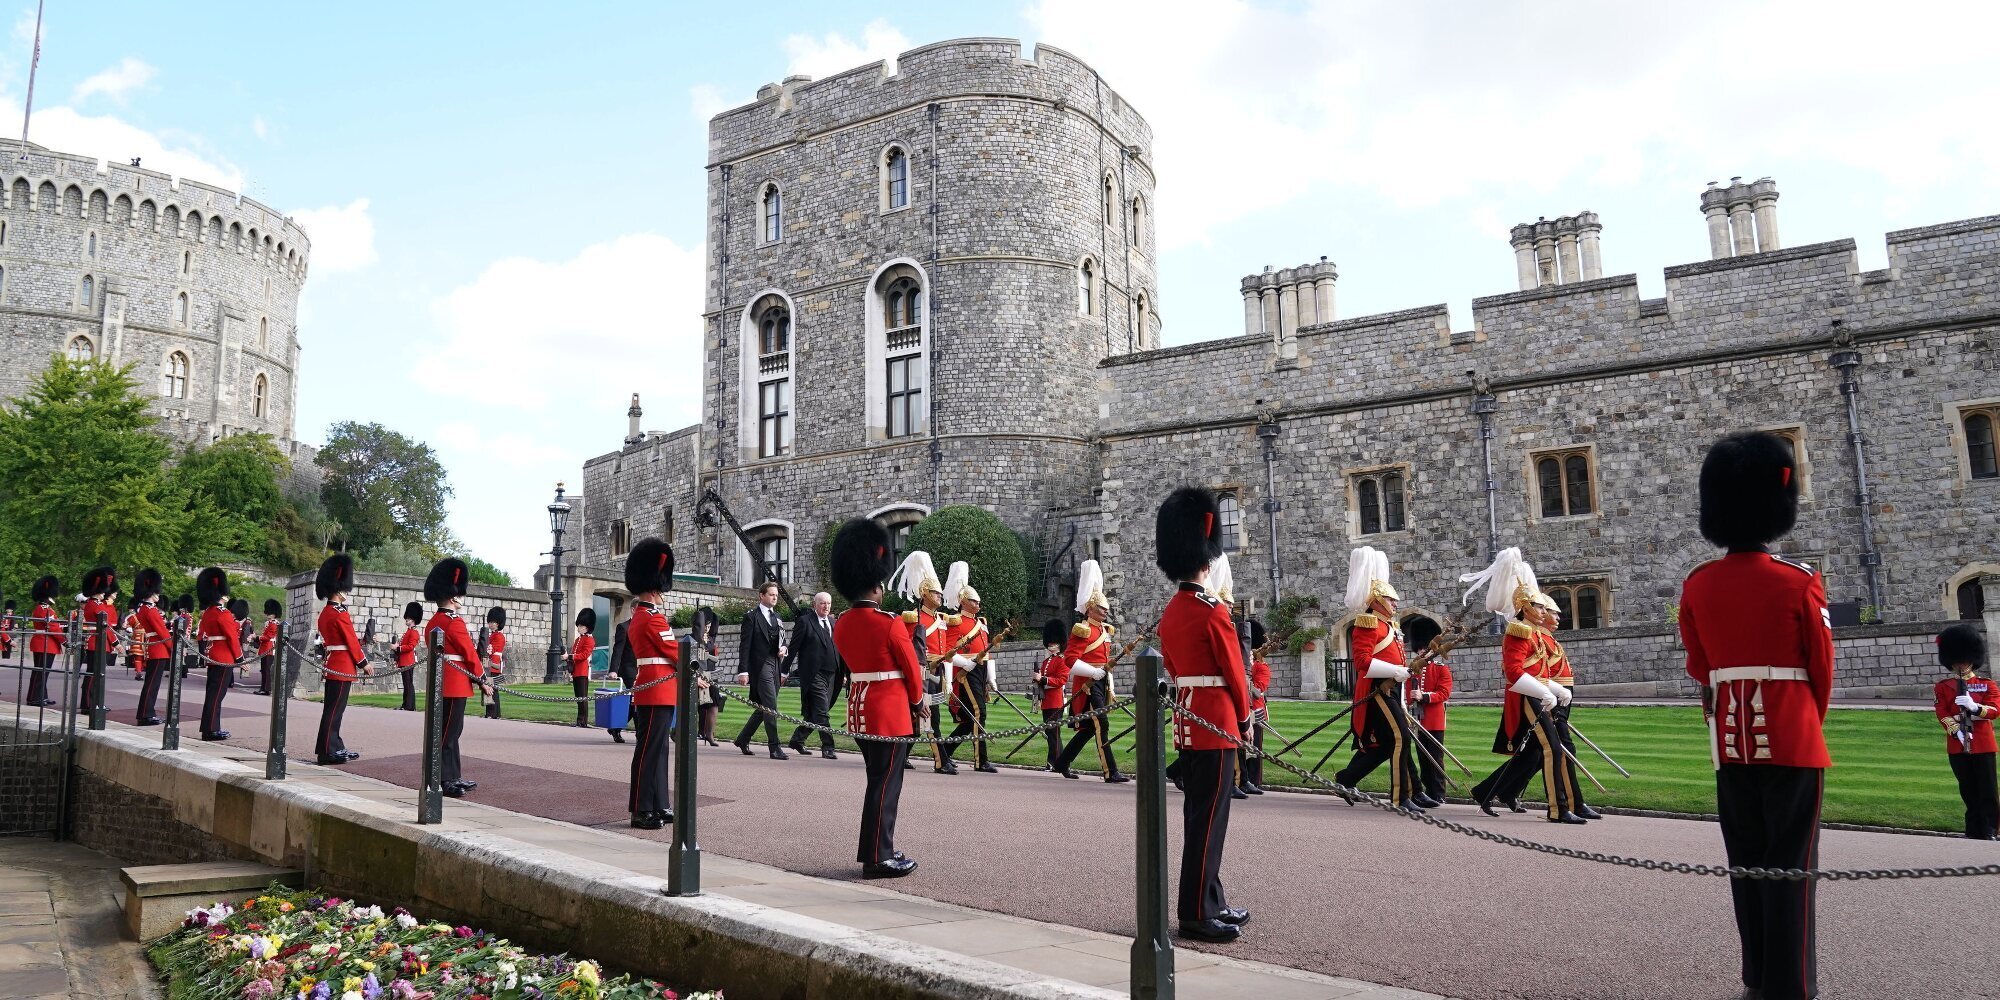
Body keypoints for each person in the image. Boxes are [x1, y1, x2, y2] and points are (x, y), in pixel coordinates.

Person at [1679, 430, 1833, 1000]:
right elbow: (1821, 671)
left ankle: (1755, 982)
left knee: (1746, 869)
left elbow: (1700, 666)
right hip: (1791, 739)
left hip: (1728, 743)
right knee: (1792, 873)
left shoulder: (1698, 584)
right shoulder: (1798, 582)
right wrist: (1804, 721)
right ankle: (1789, 988)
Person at [1154, 486, 1253, 943]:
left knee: (1201, 819)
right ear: (1207, 560)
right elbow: (1235, 672)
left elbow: (1173, 668)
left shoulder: (1171, 613)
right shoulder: (1213, 612)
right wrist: (1247, 715)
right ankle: (1196, 911)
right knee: (1209, 822)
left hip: (1188, 723)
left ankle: (1211, 898)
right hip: (1217, 723)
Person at [827, 517, 923, 878]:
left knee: (877, 782)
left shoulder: (842, 624)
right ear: (878, 586)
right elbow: (911, 669)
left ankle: (876, 849)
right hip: (890, 713)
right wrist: (918, 703)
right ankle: (878, 856)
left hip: (860, 710)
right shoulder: (889, 622)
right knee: (886, 786)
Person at [1462, 549, 1584, 823]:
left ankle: (1493, 793)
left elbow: (1539, 672)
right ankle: (1558, 809)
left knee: (1543, 752)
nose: (1544, 610)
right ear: (1525, 608)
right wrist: (1544, 692)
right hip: (1530, 699)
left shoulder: (1534, 634)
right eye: (1539, 606)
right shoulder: (1518, 631)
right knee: (1551, 750)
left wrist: (1557, 689)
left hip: (1540, 696)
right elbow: (1516, 674)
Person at [1330, 547, 1423, 811]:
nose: (1396, 604)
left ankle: (1346, 779)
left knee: (1385, 746)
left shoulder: (1390, 626)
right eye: (1391, 600)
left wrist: (1400, 679)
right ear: (1378, 600)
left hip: (1392, 689)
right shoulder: (1368, 623)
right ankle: (1402, 796)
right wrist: (1395, 672)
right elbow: (1362, 662)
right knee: (1400, 739)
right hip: (1377, 689)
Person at [1052, 560, 1129, 783]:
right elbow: (1069, 660)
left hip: (1100, 682)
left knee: (1087, 728)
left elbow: (1102, 659)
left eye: (1106, 608)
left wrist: (1106, 677)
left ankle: (1062, 762)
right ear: (1090, 608)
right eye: (1101, 607)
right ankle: (1110, 771)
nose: (1105, 610)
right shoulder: (1082, 630)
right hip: (1087, 685)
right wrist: (1093, 673)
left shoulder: (1104, 630)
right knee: (1101, 724)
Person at [624, 538, 680, 830]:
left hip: (658, 688)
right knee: (648, 751)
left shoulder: (645, 616)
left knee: (658, 750)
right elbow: (673, 652)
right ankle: (640, 809)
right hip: (656, 689)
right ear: (656, 589)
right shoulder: (651, 618)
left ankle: (658, 803)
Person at [425, 558, 485, 797]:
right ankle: (445, 779)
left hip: (443, 683)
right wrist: (482, 678)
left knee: (448, 733)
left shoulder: (433, 621)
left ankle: (452, 775)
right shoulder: (454, 622)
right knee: (450, 733)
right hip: (455, 684)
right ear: (454, 596)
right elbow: (469, 655)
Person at [891, 550, 954, 772]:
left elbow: (944, 648)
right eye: (936, 593)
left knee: (918, 719)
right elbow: (908, 648)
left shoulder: (942, 620)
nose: (940, 597)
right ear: (925, 593)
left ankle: (901, 756)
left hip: (938, 673)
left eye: (940, 594)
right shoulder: (913, 617)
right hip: (922, 673)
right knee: (930, 718)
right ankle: (941, 761)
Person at [1934, 623, 1997, 840]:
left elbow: (1995, 710)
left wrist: (1974, 707)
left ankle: (1991, 829)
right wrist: (1956, 732)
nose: (1961, 665)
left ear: (1972, 659)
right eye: (1957, 661)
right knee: (1968, 791)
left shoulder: (1986, 684)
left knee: (1987, 790)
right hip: (1957, 743)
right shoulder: (1943, 687)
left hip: (1982, 742)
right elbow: (1941, 712)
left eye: (1964, 660)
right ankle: (1973, 830)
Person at [941, 564, 998, 773]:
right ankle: (980, 760)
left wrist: (991, 677)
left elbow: (986, 650)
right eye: (974, 600)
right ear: (963, 601)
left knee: (968, 720)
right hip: (965, 673)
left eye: (978, 601)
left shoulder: (981, 623)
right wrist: (966, 663)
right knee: (978, 713)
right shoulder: (955, 621)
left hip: (980, 671)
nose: (978, 604)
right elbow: (947, 651)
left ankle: (944, 751)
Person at [314, 554, 368, 764]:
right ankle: (328, 751)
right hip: (342, 665)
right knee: (335, 710)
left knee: (332, 709)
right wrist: (364, 663)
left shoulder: (325, 613)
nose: (347, 593)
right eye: (344, 589)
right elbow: (351, 641)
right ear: (337, 589)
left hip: (333, 662)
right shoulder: (339, 613)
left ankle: (333, 746)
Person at [782, 592, 842, 759]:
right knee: (822, 712)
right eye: (822, 603)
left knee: (817, 713)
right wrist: (784, 671)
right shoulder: (805, 622)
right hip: (813, 674)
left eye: (828, 603)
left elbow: (839, 648)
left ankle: (797, 740)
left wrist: (844, 672)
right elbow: (793, 648)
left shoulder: (832, 622)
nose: (826, 606)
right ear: (815, 605)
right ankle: (828, 747)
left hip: (832, 674)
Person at [1401, 615, 1454, 807]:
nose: (1422, 652)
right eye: (1420, 648)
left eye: (1424, 648)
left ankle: (1439, 793)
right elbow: (1404, 693)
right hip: (1415, 719)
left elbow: (1444, 693)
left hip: (1434, 719)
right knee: (1422, 758)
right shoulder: (1411, 669)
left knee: (1435, 758)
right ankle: (1427, 793)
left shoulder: (1440, 669)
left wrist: (1424, 696)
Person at [733, 581, 789, 758]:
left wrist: (784, 649)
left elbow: (783, 640)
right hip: (760, 665)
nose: (774, 597)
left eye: (776, 595)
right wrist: (743, 671)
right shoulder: (751, 617)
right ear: (762, 595)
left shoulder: (778, 617)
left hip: (775, 664)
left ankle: (743, 739)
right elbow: (745, 646)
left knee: (765, 706)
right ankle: (774, 747)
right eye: (771, 594)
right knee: (771, 705)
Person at [194, 567, 242, 742]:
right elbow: (232, 638)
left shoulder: (208, 613)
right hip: (224, 657)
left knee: (212, 693)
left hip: (213, 654)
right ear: (221, 594)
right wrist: (240, 659)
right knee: (217, 695)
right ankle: (212, 730)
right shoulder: (224, 613)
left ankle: (209, 727)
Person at [130, 569, 171, 725]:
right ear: (151, 592)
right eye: (156, 592)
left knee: (151, 683)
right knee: (152, 684)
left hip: (153, 647)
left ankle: (145, 713)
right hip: (158, 649)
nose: (158, 595)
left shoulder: (143, 609)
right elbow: (162, 632)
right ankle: (146, 714)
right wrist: (173, 647)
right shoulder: (151, 610)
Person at [77, 567, 118, 713]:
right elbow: (106, 626)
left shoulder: (94, 604)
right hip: (98, 642)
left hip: (99, 642)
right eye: (102, 591)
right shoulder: (95, 605)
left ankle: (93, 702)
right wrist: (116, 643)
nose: (104, 594)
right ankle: (88, 704)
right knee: (93, 675)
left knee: (95, 675)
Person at [1241, 617, 1272, 796]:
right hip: (1244, 709)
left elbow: (1258, 692)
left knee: (1255, 748)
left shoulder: (1262, 667)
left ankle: (1254, 780)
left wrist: (1246, 679)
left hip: (1256, 711)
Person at [1033, 618, 1070, 769]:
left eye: (1053, 642)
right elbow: (1043, 680)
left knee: (1054, 733)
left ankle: (1054, 763)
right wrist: (1037, 680)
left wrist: (1043, 679)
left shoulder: (1062, 661)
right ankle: (1056, 762)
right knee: (1050, 734)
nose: (1050, 645)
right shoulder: (1046, 661)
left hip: (1056, 701)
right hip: (1046, 700)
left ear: (1060, 643)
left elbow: (1061, 680)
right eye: (1049, 642)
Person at [25, 577, 62, 706]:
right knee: (41, 672)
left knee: (42, 672)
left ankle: (41, 696)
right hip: (45, 643)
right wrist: (65, 640)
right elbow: (53, 627)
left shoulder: (45, 608)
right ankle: (35, 698)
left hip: (45, 643)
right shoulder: (43, 609)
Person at [691, 606, 724, 746]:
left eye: (709, 625)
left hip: (711, 675)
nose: (708, 628)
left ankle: (709, 734)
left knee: (714, 704)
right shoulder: (692, 639)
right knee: (698, 706)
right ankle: (680, 731)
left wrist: (709, 616)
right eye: (706, 625)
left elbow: (715, 622)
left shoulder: (710, 638)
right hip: (699, 676)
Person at [567, 607, 599, 727]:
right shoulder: (578, 639)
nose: (578, 627)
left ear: (587, 627)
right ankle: (579, 720)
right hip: (576, 671)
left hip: (582, 671)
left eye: (581, 626)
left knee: (582, 697)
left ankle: (583, 721)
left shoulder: (590, 640)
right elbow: (574, 653)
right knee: (578, 697)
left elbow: (584, 655)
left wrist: (570, 657)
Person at [393, 602, 424, 711]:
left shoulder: (414, 632)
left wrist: (397, 648)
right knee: (406, 685)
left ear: (413, 619)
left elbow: (410, 646)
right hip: (404, 661)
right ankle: (406, 705)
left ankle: (409, 706)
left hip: (408, 661)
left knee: (408, 684)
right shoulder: (409, 631)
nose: (406, 620)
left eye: (408, 618)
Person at [482, 607, 508, 719]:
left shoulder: (499, 636)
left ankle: (493, 714)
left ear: (498, 624)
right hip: (488, 664)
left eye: (493, 622)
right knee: (488, 689)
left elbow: (491, 649)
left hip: (493, 665)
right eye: (490, 621)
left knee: (492, 689)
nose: (490, 624)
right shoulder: (491, 635)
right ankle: (490, 713)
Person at [252, 600, 281, 696]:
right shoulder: (270, 623)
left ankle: (266, 689)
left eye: (270, 613)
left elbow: (268, 637)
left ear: (274, 614)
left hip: (269, 649)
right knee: (264, 670)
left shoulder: (273, 624)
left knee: (266, 670)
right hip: (265, 648)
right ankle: (263, 688)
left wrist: (256, 637)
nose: (268, 614)